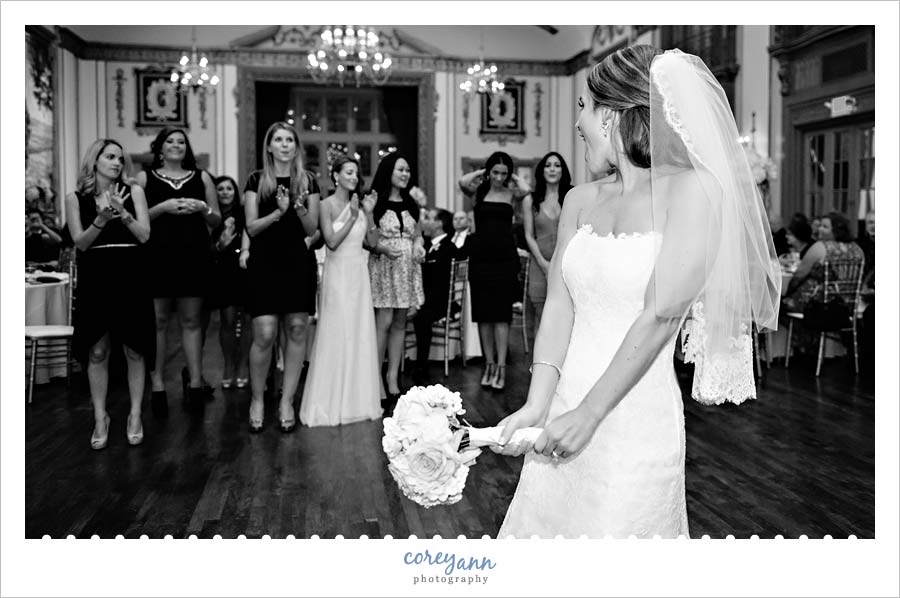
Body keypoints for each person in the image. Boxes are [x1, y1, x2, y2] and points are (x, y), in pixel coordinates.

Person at [491, 46, 780, 538]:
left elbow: (662, 313)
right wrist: (539, 403)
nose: (578, 124)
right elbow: (560, 304)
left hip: (631, 418)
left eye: (583, 107)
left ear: (613, 113)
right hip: (564, 403)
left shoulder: (695, 192)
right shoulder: (579, 200)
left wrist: (591, 413)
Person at [65, 139, 155, 449]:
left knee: (134, 349)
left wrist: (123, 213)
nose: (117, 163)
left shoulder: (135, 192)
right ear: (95, 161)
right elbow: (80, 242)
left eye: (120, 158)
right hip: (97, 276)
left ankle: (134, 414)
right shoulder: (75, 198)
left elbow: (144, 236)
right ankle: (100, 416)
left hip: (131, 273)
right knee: (97, 351)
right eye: (110, 157)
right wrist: (102, 217)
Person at [136, 127, 220, 416]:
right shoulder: (144, 178)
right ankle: (157, 383)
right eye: (170, 141)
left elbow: (216, 219)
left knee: (192, 320)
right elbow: (134, 219)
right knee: (157, 321)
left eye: (181, 142)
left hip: (193, 255)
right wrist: (163, 208)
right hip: (157, 256)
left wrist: (201, 207)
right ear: (160, 147)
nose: (176, 145)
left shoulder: (202, 177)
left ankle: (195, 382)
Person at [244, 122, 321, 433]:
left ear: (296, 147)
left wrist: (300, 209)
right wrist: (279, 212)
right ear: (269, 146)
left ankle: (287, 400)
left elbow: (312, 229)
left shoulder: (309, 181)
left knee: (297, 328)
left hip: (296, 261)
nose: (285, 144)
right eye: (279, 139)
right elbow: (251, 228)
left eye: (290, 139)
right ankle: (258, 398)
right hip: (265, 261)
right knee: (264, 333)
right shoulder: (256, 180)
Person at [299, 155, 382, 426]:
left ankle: (358, 401)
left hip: (359, 276)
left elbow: (371, 242)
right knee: (337, 332)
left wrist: (368, 214)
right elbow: (331, 241)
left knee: (359, 334)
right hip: (337, 276)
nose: (354, 177)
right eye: (348, 172)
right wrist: (353, 216)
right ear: (335, 176)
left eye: (356, 173)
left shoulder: (359, 206)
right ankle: (331, 402)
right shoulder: (325, 205)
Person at [458, 152, 531, 391]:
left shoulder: (512, 194)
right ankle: (488, 364)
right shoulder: (479, 192)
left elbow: (527, 189)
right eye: (495, 172)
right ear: (489, 171)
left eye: (503, 173)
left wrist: (511, 176)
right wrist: (483, 172)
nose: (499, 177)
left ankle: (500, 366)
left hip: (504, 259)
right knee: (484, 316)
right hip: (480, 257)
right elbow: (462, 182)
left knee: (501, 316)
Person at [367, 153, 425, 405]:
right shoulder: (375, 203)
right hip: (384, 267)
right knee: (384, 321)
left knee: (401, 322)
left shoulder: (412, 204)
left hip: (407, 270)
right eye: (401, 170)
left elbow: (419, 235)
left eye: (408, 170)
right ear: (389, 171)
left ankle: (392, 377)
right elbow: (366, 240)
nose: (405, 174)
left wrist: (420, 246)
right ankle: (375, 378)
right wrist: (382, 248)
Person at [206, 176, 252, 389]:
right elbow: (206, 248)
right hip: (222, 270)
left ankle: (243, 365)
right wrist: (219, 244)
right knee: (228, 320)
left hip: (244, 268)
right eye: (220, 189)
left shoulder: (244, 213)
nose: (225, 192)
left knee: (248, 320)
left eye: (229, 188)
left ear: (236, 191)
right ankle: (228, 366)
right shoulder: (211, 216)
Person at [522, 152, 573, 327]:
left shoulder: (571, 196)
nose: (552, 169)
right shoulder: (531, 199)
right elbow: (529, 235)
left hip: (566, 264)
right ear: (542, 171)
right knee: (540, 316)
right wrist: (543, 264)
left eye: (557, 165)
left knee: (566, 314)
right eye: (548, 165)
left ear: (562, 171)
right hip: (539, 264)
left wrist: (559, 263)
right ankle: (539, 355)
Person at [411, 208, 461, 385]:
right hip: (426, 299)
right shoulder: (425, 245)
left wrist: (419, 305)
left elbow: (439, 285)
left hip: (440, 302)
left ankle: (421, 365)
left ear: (439, 224)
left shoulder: (448, 248)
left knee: (421, 318)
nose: (424, 221)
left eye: (428, 218)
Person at [783, 212, 864, 313]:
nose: (819, 229)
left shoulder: (821, 247)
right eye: (820, 225)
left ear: (837, 230)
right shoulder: (857, 249)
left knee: (778, 305)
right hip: (848, 305)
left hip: (819, 306)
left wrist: (785, 293)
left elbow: (799, 276)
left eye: (825, 227)